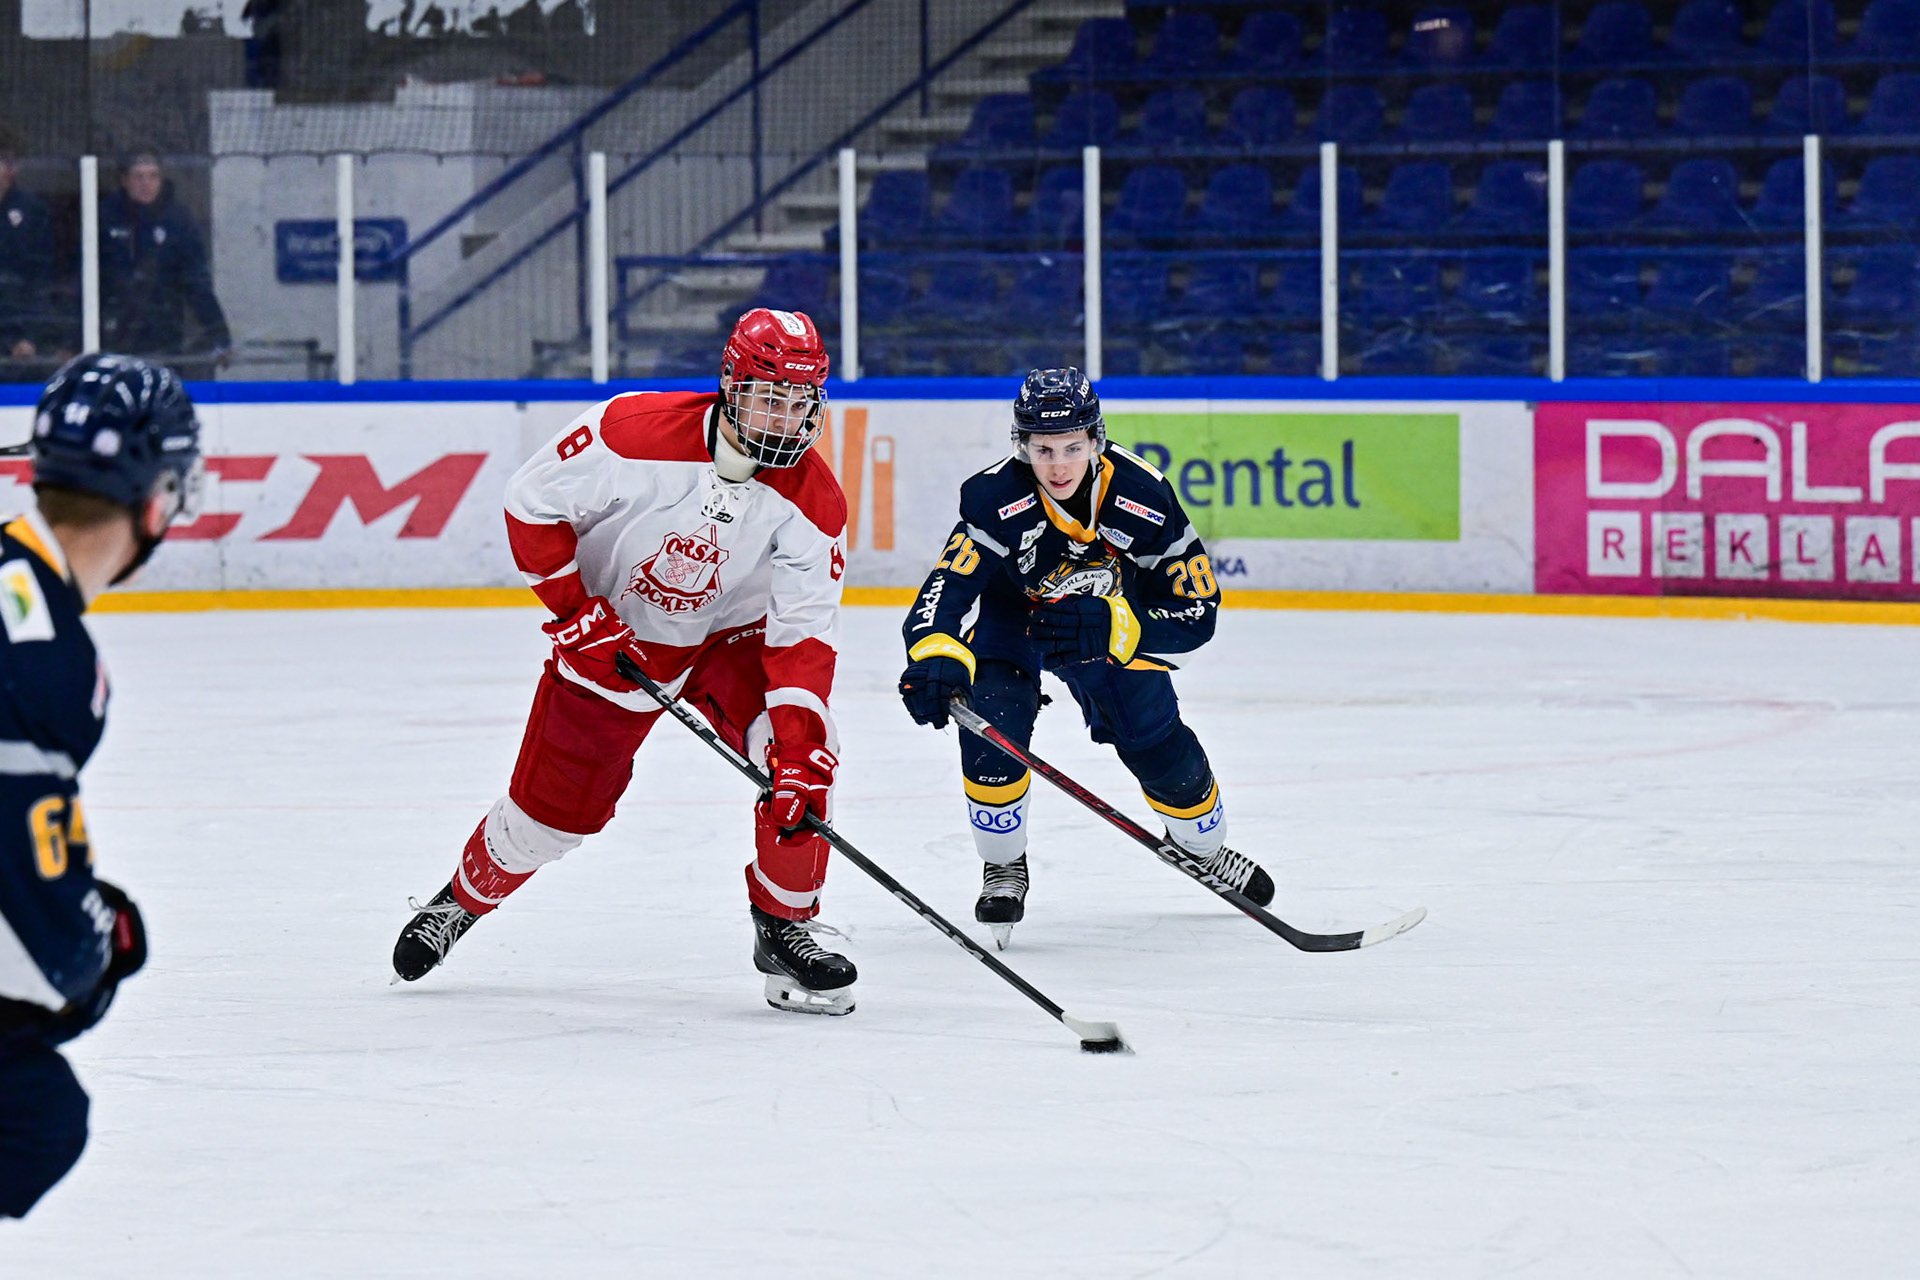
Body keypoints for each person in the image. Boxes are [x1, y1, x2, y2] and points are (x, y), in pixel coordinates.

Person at [392, 309, 859, 1015]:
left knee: (801, 761)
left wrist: (797, 747)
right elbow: (531, 506)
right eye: (770, 397)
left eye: (800, 402)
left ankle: (784, 928)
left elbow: (803, 636)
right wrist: (573, 611)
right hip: (615, 640)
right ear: (730, 385)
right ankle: (459, 901)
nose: (785, 419)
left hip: (732, 638)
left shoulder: (815, 502)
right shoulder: (629, 432)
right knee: (551, 819)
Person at [896, 367, 1273, 949]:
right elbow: (946, 589)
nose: (1058, 465)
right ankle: (1003, 861)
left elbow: (1198, 614)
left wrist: (1120, 625)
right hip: (1014, 622)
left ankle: (1204, 849)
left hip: (1106, 629)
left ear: (1096, 440)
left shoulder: (1145, 496)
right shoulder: (995, 497)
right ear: (1021, 445)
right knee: (993, 722)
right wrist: (934, 652)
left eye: (1072, 446)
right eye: (1043, 449)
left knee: (1155, 739)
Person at [0, 354, 203, 1218]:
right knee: (34, 1118)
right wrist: (99, 944)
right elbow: (42, 927)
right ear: (159, 499)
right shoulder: (48, 657)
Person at [99, 154, 231, 377]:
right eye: (139, 177)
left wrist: (219, 335)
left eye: (153, 176)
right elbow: (86, 278)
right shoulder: (105, 216)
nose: (146, 184)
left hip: (164, 333)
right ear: (125, 180)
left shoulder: (178, 220)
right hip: (114, 332)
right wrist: (72, 338)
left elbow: (197, 283)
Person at [0, 128, 58, 372]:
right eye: (3, 161)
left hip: (20, 328)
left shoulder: (32, 210)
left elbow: (41, 278)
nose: (9, 169)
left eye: (12, 161)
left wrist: (29, 337)